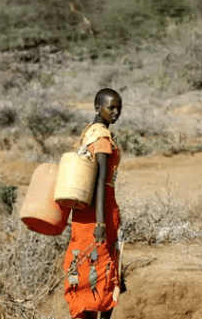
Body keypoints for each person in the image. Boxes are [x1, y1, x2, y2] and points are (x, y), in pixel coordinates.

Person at [62, 88, 123, 319]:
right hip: (101, 211)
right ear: (98, 108)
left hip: (82, 212)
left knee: (86, 264)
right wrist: (101, 221)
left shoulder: (88, 133)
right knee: (104, 267)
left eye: (119, 107)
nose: (116, 112)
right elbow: (101, 181)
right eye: (111, 107)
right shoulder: (103, 139)